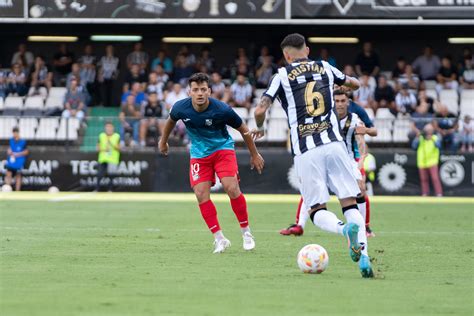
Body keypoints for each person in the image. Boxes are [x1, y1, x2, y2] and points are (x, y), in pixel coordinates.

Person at [250, 33, 373, 277]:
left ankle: (342, 230)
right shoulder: (326, 67)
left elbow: (260, 108)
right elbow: (356, 84)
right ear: (307, 49)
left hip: (306, 150)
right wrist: (339, 84)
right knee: (350, 202)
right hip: (335, 145)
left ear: (286, 55)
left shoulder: (282, 75)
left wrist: (261, 128)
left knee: (316, 210)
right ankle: (365, 258)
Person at [159, 73, 264, 254]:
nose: (199, 93)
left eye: (203, 89)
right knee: (200, 194)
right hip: (199, 155)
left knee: (231, 188)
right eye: (195, 90)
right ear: (189, 92)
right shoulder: (180, 108)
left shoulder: (222, 109)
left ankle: (246, 232)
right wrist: (163, 141)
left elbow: (244, 129)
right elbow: (170, 122)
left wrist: (254, 154)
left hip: (222, 149)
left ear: (209, 91)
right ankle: (219, 239)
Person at [281, 91, 377, 238]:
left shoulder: (355, 113)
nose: (339, 103)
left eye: (342, 100)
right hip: (325, 157)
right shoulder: (324, 112)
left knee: (360, 189)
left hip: (349, 160)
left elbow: (364, 137)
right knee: (312, 190)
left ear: (347, 100)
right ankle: (299, 224)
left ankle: (365, 228)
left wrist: (361, 159)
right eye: (336, 100)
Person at [412, 124, 443, 197]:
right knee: (423, 179)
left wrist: (431, 139)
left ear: (432, 131)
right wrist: (417, 137)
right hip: (422, 161)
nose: (428, 132)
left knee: (435, 178)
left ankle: (439, 193)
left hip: (432, 161)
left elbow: (439, 146)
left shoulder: (435, 137)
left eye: (430, 130)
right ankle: (425, 193)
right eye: (427, 130)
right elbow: (414, 146)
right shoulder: (421, 138)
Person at [96, 122, 121, 192]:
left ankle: (110, 190)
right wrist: (104, 149)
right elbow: (97, 148)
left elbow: (119, 148)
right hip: (103, 158)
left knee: (112, 175)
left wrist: (112, 144)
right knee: (99, 174)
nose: (109, 129)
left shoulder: (117, 136)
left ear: (113, 128)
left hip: (113, 159)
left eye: (110, 127)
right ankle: (97, 189)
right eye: (107, 127)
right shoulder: (101, 135)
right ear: (105, 128)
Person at [4, 127, 29, 192]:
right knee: (8, 173)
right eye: (14, 132)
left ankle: (17, 191)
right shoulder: (11, 140)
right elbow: (10, 149)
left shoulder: (23, 141)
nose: (15, 134)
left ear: (18, 133)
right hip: (11, 160)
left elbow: (26, 151)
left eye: (16, 132)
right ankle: (7, 188)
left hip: (19, 161)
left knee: (18, 175)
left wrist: (17, 154)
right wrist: (9, 151)